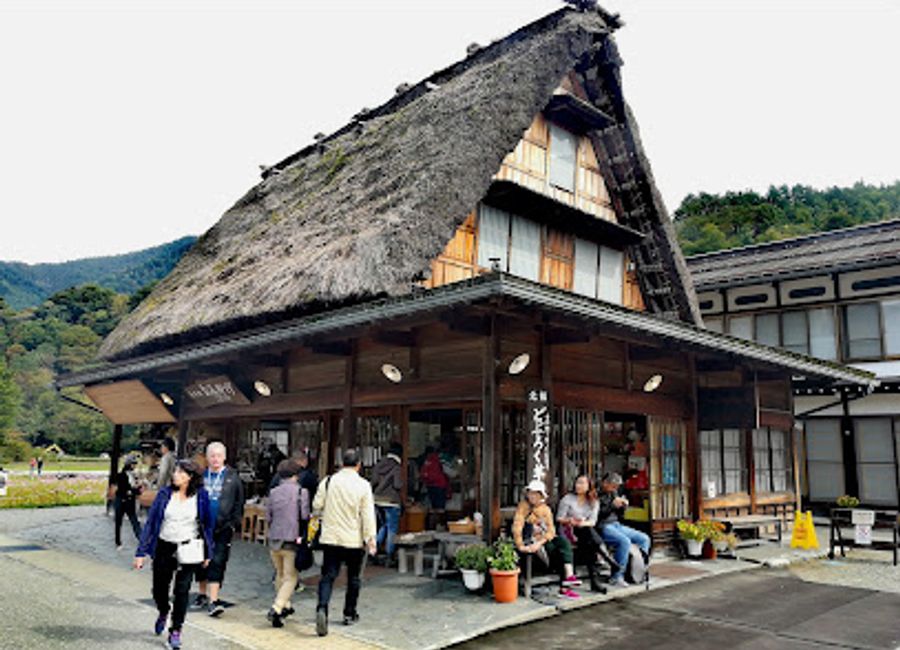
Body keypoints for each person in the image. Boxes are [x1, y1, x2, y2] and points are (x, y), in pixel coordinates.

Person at [133, 459, 214, 650]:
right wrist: (141, 552)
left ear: (190, 477)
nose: (175, 475)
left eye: (180, 472)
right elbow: (152, 523)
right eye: (175, 471)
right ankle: (163, 611)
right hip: (164, 546)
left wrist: (208, 552)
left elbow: (207, 526)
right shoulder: (164, 494)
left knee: (182, 591)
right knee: (159, 589)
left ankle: (176, 630)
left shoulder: (201, 496)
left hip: (189, 548)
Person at [312, 448, 377, 637]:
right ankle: (349, 613)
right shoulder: (363, 485)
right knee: (354, 577)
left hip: (330, 537)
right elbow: (367, 514)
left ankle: (322, 608)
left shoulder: (329, 481)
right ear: (359, 465)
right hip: (353, 539)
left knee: (328, 575)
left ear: (341, 463)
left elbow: (316, 506)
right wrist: (370, 538)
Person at [194, 441, 244, 617]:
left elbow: (239, 502)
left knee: (218, 561)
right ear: (207, 458)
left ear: (224, 457)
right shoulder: (200, 476)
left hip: (223, 527)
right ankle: (201, 594)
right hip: (201, 526)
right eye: (212, 456)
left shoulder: (232, 477)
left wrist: (233, 524)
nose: (215, 459)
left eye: (218, 456)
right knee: (200, 560)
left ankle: (213, 600)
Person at [512, 479, 580, 600]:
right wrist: (520, 545)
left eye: (535, 493)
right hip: (530, 541)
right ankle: (564, 588)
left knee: (563, 543)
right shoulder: (523, 507)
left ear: (541, 495)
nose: (532, 496)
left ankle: (569, 576)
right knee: (557, 552)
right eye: (530, 493)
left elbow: (551, 531)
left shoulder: (546, 509)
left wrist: (540, 542)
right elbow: (517, 526)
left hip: (543, 540)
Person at [265, 460, 304, 627]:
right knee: (290, 577)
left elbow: (268, 517)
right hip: (291, 539)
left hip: (274, 538)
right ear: (296, 475)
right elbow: (304, 516)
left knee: (279, 574)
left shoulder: (273, 493)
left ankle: (286, 607)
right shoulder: (301, 492)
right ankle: (277, 607)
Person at [595, 472, 651, 587]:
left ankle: (639, 571)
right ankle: (617, 576)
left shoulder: (614, 493)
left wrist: (623, 507)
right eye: (613, 486)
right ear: (605, 483)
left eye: (617, 487)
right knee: (624, 541)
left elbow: (620, 515)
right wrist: (612, 506)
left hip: (616, 524)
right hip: (603, 526)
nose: (615, 489)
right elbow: (596, 515)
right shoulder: (595, 494)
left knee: (644, 538)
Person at [557, 475, 607, 592]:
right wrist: (570, 520)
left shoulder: (594, 502)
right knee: (590, 541)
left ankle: (595, 581)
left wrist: (582, 523)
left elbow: (592, 522)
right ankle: (603, 556)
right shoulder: (567, 499)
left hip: (583, 530)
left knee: (588, 537)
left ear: (589, 486)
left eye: (582, 483)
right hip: (568, 530)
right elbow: (559, 518)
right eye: (577, 483)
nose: (578, 485)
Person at [371, 442, 403, 562]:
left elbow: (373, 481)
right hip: (391, 501)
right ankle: (389, 555)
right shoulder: (396, 467)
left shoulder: (379, 464)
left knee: (383, 526)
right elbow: (397, 484)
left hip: (377, 500)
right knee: (392, 528)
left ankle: (374, 551)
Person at [115, 458, 143, 549]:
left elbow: (134, 489)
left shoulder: (134, 475)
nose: (134, 466)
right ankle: (118, 541)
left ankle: (141, 539)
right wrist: (135, 490)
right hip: (121, 501)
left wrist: (138, 489)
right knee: (119, 522)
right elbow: (124, 490)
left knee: (134, 521)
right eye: (133, 464)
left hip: (130, 501)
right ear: (129, 465)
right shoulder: (121, 475)